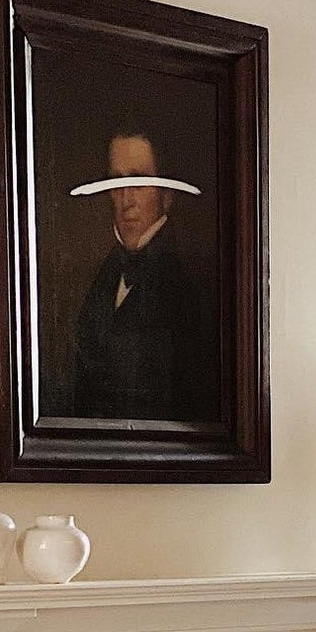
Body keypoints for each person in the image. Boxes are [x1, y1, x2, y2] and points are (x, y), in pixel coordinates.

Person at [69, 128, 216, 421]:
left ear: (167, 196)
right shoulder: (103, 276)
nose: (126, 199)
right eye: (117, 183)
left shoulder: (187, 283)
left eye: (138, 182)